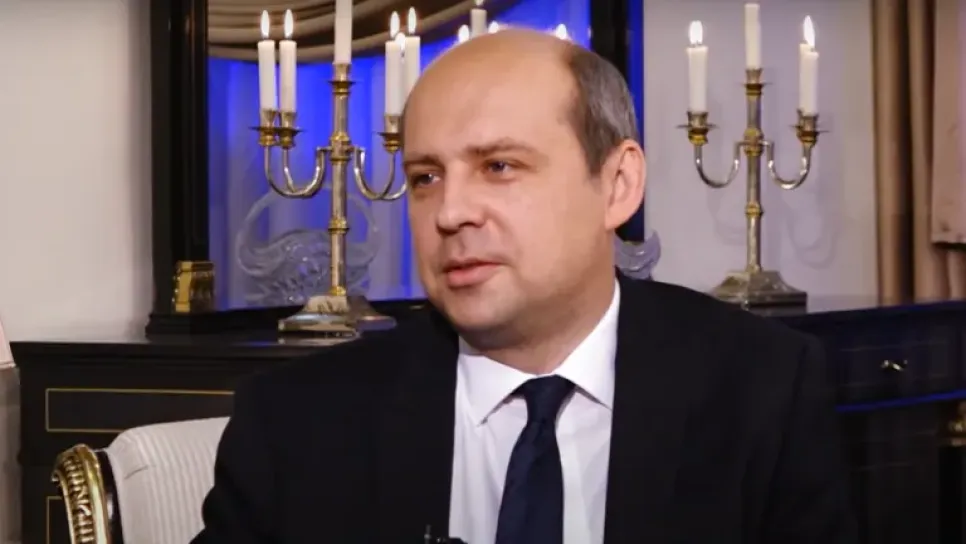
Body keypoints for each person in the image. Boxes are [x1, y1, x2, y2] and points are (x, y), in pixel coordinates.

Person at [192, 29, 857, 544]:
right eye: (426, 177)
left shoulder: (763, 389)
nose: (450, 212)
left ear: (618, 185)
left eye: (499, 166)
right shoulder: (297, 422)